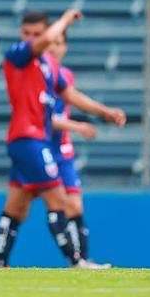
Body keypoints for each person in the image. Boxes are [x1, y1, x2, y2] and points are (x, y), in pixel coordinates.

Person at [0, 18, 126, 267]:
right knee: (60, 200)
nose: (33, 38)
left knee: (17, 205)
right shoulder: (19, 56)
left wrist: (104, 112)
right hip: (30, 140)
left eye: (38, 33)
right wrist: (65, 19)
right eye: (27, 33)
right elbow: (53, 115)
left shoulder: (50, 67)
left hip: (41, 144)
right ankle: (77, 260)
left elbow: (71, 96)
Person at [47, 32, 124, 267]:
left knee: (75, 206)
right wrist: (79, 126)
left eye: (59, 44)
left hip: (64, 150)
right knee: (32, 205)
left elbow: (73, 101)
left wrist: (105, 112)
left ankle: (81, 260)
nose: (54, 49)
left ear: (66, 48)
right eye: (51, 44)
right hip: (41, 148)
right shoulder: (39, 75)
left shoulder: (65, 76)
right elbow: (44, 117)